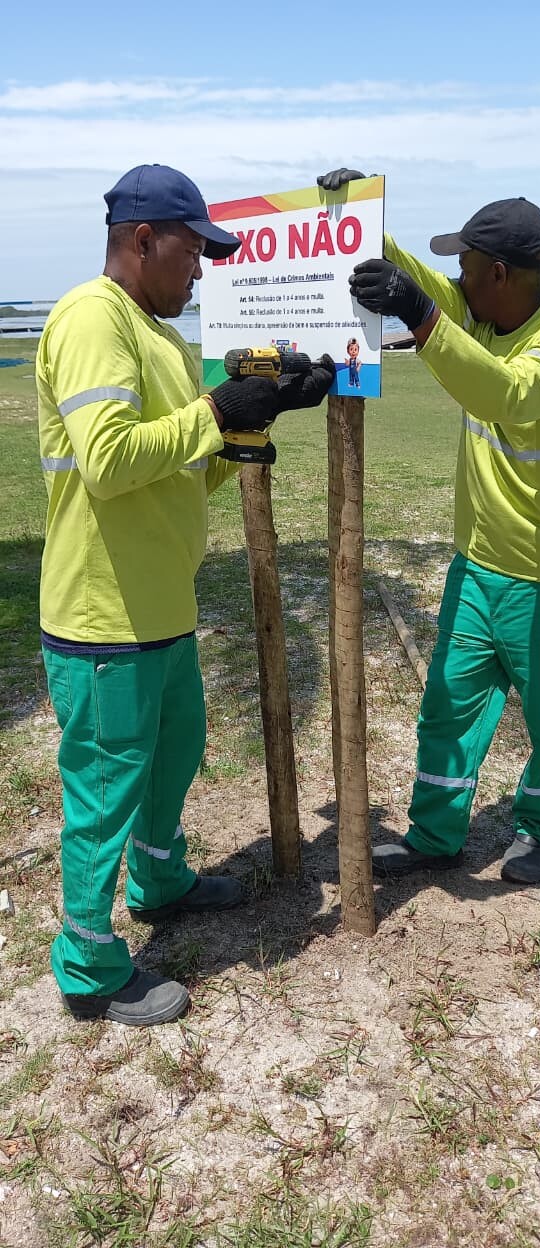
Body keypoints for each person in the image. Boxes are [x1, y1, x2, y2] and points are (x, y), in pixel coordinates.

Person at [37, 163, 335, 1026]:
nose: (201, 270)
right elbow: (110, 458)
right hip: (101, 615)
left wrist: (256, 421)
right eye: (192, 252)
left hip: (158, 607)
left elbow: (171, 476)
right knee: (104, 790)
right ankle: (87, 967)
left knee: (172, 757)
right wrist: (216, 413)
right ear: (142, 241)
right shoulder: (92, 318)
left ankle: (160, 879)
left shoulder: (158, 335)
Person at [318, 167, 540, 887]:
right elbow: (420, 289)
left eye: (464, 269)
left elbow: (507, 394)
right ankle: (436, 834)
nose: (453, 283)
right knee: (449, 708)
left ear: (500, 272)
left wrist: (421, 318)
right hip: (477, 567)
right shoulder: (482, 318)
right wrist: (356, 215)